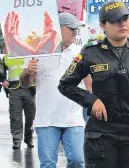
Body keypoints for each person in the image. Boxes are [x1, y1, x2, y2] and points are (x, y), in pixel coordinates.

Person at [58, 1, 129, 168]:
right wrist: (91, 100)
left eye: (125, 18)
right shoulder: (90, 53)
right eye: (116, 20)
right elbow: (65, 85)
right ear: (103, 25)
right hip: (101, 132)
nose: (122, 23)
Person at [20, 13, 85, 168]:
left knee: (77, 161)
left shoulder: (80, 52)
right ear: (59, 29)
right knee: (48, 164)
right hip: (47, 118)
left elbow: (89, 82)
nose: (75, 32)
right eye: (72, 28)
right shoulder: (37, 52)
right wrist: (28, 72)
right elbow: (25, 84)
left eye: (76, 28)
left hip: (73, 117)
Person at [2, 50, 36, 149]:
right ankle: (16, 139)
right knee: (15, 116)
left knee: (31, 116)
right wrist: (3, 80)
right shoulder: (6, 56)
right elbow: (2, 71)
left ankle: (29, 138)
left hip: (29, 89)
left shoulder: (30, 53)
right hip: (14, 88)